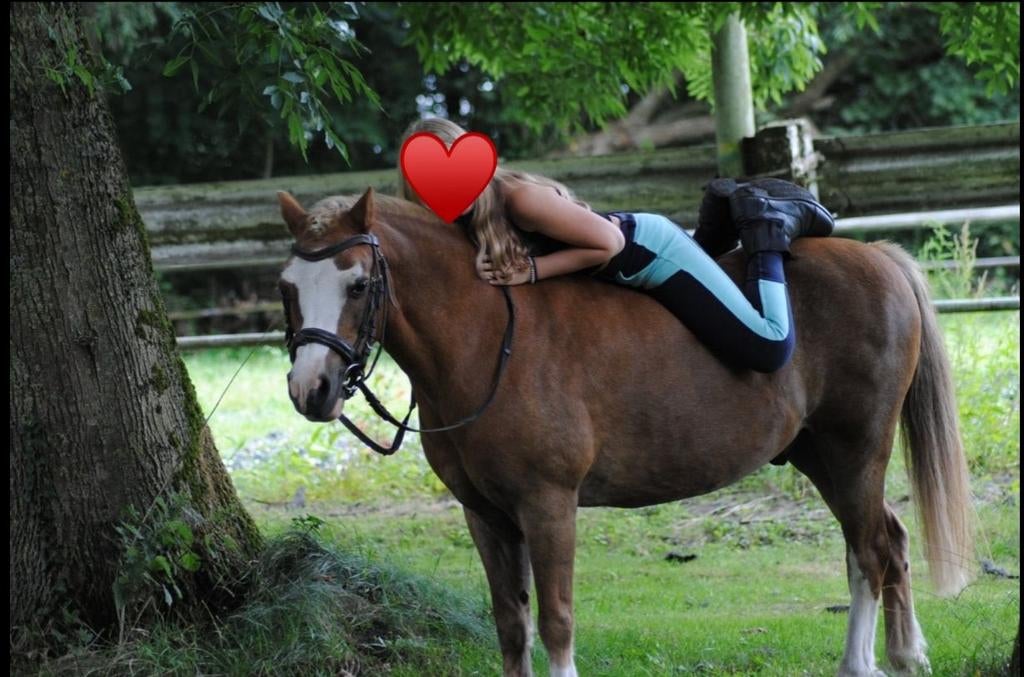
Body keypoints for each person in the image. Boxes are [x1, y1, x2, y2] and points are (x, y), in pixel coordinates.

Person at [396, 118, 834, 373]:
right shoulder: (462, 218)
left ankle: (766, 226)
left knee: (770, 346)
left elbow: (607, 242)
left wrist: (531, 272)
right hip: (616, 267)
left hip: (650, 252)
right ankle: (717, 236)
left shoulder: (519, 199)